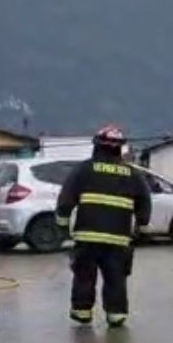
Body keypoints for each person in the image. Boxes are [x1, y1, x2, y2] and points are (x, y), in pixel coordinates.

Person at [56, 125, 151, 328]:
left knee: (84, 276)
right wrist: (140, 228)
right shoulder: (133, 174)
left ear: (97, 146)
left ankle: (82, 312)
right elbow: (144, 202)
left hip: (87, 237)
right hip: (118, 239)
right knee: (116, 278)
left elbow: (65, 200)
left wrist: (62, 227)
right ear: (119, 148)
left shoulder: (84, 169)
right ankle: (116, 315)